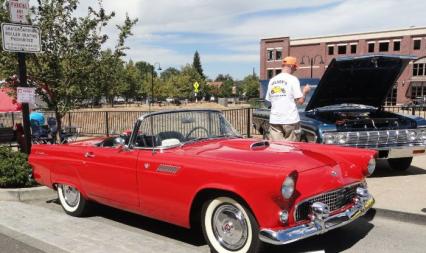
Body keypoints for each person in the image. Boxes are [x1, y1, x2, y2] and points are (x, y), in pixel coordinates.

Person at [265, 56, 311, 141]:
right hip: (290, 120)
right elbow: (300, 101)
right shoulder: (293, 79)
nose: (295, 70)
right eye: (295, 68)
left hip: (275, 120)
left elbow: (269, 100)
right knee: (291, 149)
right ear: (291, 66)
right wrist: (305, 92)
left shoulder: (272, 80)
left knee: (278, 149)